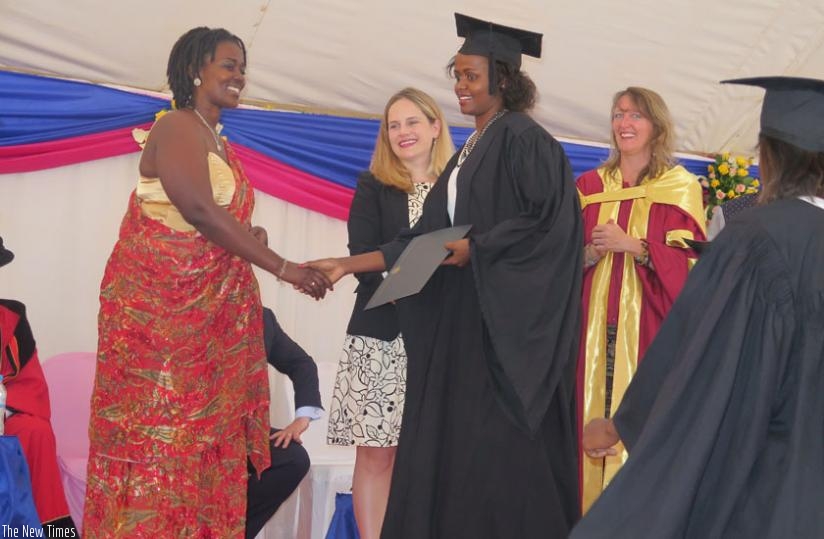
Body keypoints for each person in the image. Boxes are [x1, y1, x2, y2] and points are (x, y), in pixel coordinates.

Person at [309, 13, 583, 538]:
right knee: (453, 452)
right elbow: (423, 241)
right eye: (456, 75)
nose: (459, 86)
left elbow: (550, 224)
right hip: (461, 331)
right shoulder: (467, 155)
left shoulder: (524, 139)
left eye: (471, 76)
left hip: (501, 340)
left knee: (499, 459)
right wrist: (347, 265)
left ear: (503, 78)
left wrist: (477, 247)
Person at [83, 27, 330, 538]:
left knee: (201, 447)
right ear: (196, 69)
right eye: (228, 64)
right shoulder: (176, 125)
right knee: (162, 441)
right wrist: (283, 267)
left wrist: (249, 233)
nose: (239, 75)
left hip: (206, 325)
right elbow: (196, 208)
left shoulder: (217, 139)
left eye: (242, 66)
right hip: (162, 321)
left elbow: (215, 217)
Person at [572, 76, 824, 538]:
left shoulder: (753, 239)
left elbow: (698, 340)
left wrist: (623, 423)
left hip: (767, 458)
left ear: (767, 158)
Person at [325, 88, 454, 538]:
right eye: (393, 125)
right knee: (377, 455)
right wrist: (405, 289)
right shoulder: (372, 186)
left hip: (442, 341)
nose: (403, 132)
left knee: (431, 455)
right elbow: (362, 257)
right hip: (381, 337)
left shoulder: (459, 189)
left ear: (436, 126)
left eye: (413, 122)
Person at [575, 87, 706, 511]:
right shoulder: (588, 187)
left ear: (656, 126)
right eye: (618, 115)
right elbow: (559, 265)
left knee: (641, 425)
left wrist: (635, 245)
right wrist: (591, 252)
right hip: (591, 331)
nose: (625, 124)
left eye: (635, 116)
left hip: (649, 330)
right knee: (584, 420)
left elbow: (693, 267)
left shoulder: (679, 187)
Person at [0, 237, 78, 535]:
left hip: (3, 416)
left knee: (36, 432)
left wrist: (4, 409)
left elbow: (29, 385)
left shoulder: (9, 320)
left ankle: (45, 529)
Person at [245, 306, 324, 539]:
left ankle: (233, 532)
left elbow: (301, 363)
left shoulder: (260, 316)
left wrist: (302, 418)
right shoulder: (188, 311)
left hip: (241, 435)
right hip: (188, 438)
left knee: (292, 459)